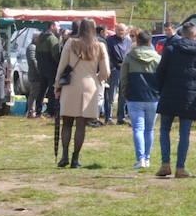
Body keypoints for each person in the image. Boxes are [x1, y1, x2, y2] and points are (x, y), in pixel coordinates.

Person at [154, 21, 196, 179]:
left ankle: (165, 164)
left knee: (165, 130)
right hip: (190, 98)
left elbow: (160, 72)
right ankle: (180, 168)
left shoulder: (170, 49)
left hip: (169, 94)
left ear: (182, 33)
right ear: (195, 34)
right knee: (185, 134)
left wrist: (161, 90)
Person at [54, 18, 109, 169]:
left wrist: (57, 86)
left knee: (66, 123)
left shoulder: (71, 43)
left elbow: (62, 67)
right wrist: (96, 79)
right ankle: (75, 159)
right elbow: (106, 72)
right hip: (90, 86)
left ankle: (64, 155)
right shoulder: (100, 46)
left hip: (70, 85)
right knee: (81, 124)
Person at [118, 28, 161, 169]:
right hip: (153, 97)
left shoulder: (129, 57)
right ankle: (147, 159)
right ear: (150, 42)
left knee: (138, 129)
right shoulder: (157, 58)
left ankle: (140, 159)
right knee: (150, 130)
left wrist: (125, 93)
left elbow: (123, 78)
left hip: (134, 96)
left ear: (137, 41)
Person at [31, 22, 61, 119]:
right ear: (52, 26)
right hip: (51, 68)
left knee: (42, 90)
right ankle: (51, 111)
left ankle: (38, 111)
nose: (59, 28)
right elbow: (56, 54)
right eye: (58, 25)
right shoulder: (52, 38)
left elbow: (36, 55)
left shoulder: (40, 38)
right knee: (52, 90)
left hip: (42, 68)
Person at [104, 24, 131, 124]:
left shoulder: (128, 41)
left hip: (125, 70)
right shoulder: (110, 41)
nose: (120, 32)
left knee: (123, 95)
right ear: (115, 30)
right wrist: (112, 68)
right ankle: (109, 117)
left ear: (126, 31)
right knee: (111, 95)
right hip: (115, 70)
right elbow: (107, 56)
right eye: (118, 30)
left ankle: (121, 117)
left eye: (122, 30)